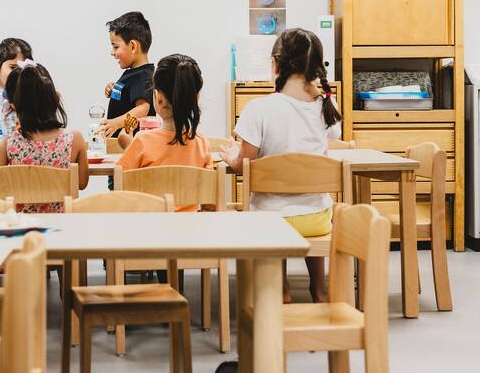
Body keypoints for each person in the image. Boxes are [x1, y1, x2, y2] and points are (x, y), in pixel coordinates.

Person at [220, 28, 341, 303]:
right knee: (308, 201)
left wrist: (232, 159)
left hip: (271, 220)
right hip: (318, 218)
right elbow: (333, 137)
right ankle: (318, 289)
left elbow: (246, 166)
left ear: (275, 63)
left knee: (274, 208)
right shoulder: (325, 107)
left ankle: (281, 289)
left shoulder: (258, 109)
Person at [0, 60, 89, 212]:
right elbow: (81, 183)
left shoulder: (10, 143)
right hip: (62, 227)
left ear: (13, 104)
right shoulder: (74, 139)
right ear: (55, 98)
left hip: (22, 228)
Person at [118, 54, 212, 212]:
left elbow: (121, 186)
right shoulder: (202, 144)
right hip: (192, 231)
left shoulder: (142, 142)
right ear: (196, 97)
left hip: (152, 230)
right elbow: (209, 200)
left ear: (158, 98)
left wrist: (130, 146)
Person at [99, 11, 156, 140]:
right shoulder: (133, 73)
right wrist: (115, 89)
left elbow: (143, 109)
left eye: (115, 47)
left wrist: (115, 123)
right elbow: (128, 95)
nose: (112, 53)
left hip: (129, 144)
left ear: (133, 46)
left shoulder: (143, 75)